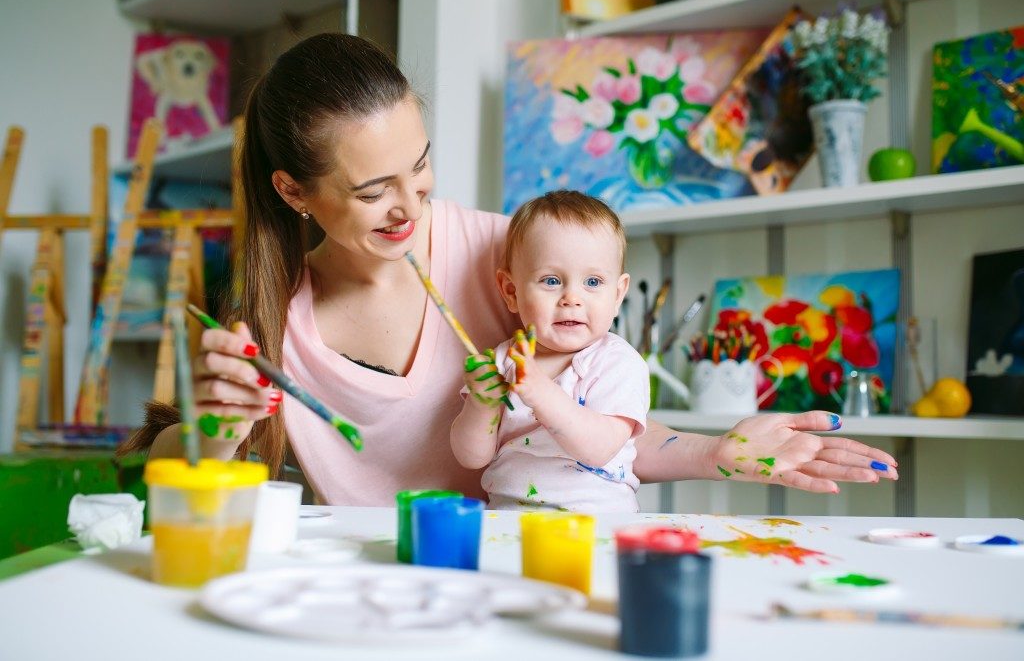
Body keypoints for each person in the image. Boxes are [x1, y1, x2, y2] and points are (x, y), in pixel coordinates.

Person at [121, 32, 898, 506]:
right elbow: (164, 474)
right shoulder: (270, 321)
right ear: (294, 191)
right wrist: (216, 430)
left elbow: (596, 428)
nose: (408, 207)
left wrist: (719, 450)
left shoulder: (513, 261)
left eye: (419, 168)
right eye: (371, 191)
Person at [452, 191, 649, 512]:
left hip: (595, 526)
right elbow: (471, 458)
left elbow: (599, 448)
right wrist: (480, 403)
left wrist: (540, 392)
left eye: (594, 282)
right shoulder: (504, 359)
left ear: (618, 293)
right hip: (507, 521)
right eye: (552, 280)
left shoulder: (617, 363)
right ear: (511, 291)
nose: (572, 298)